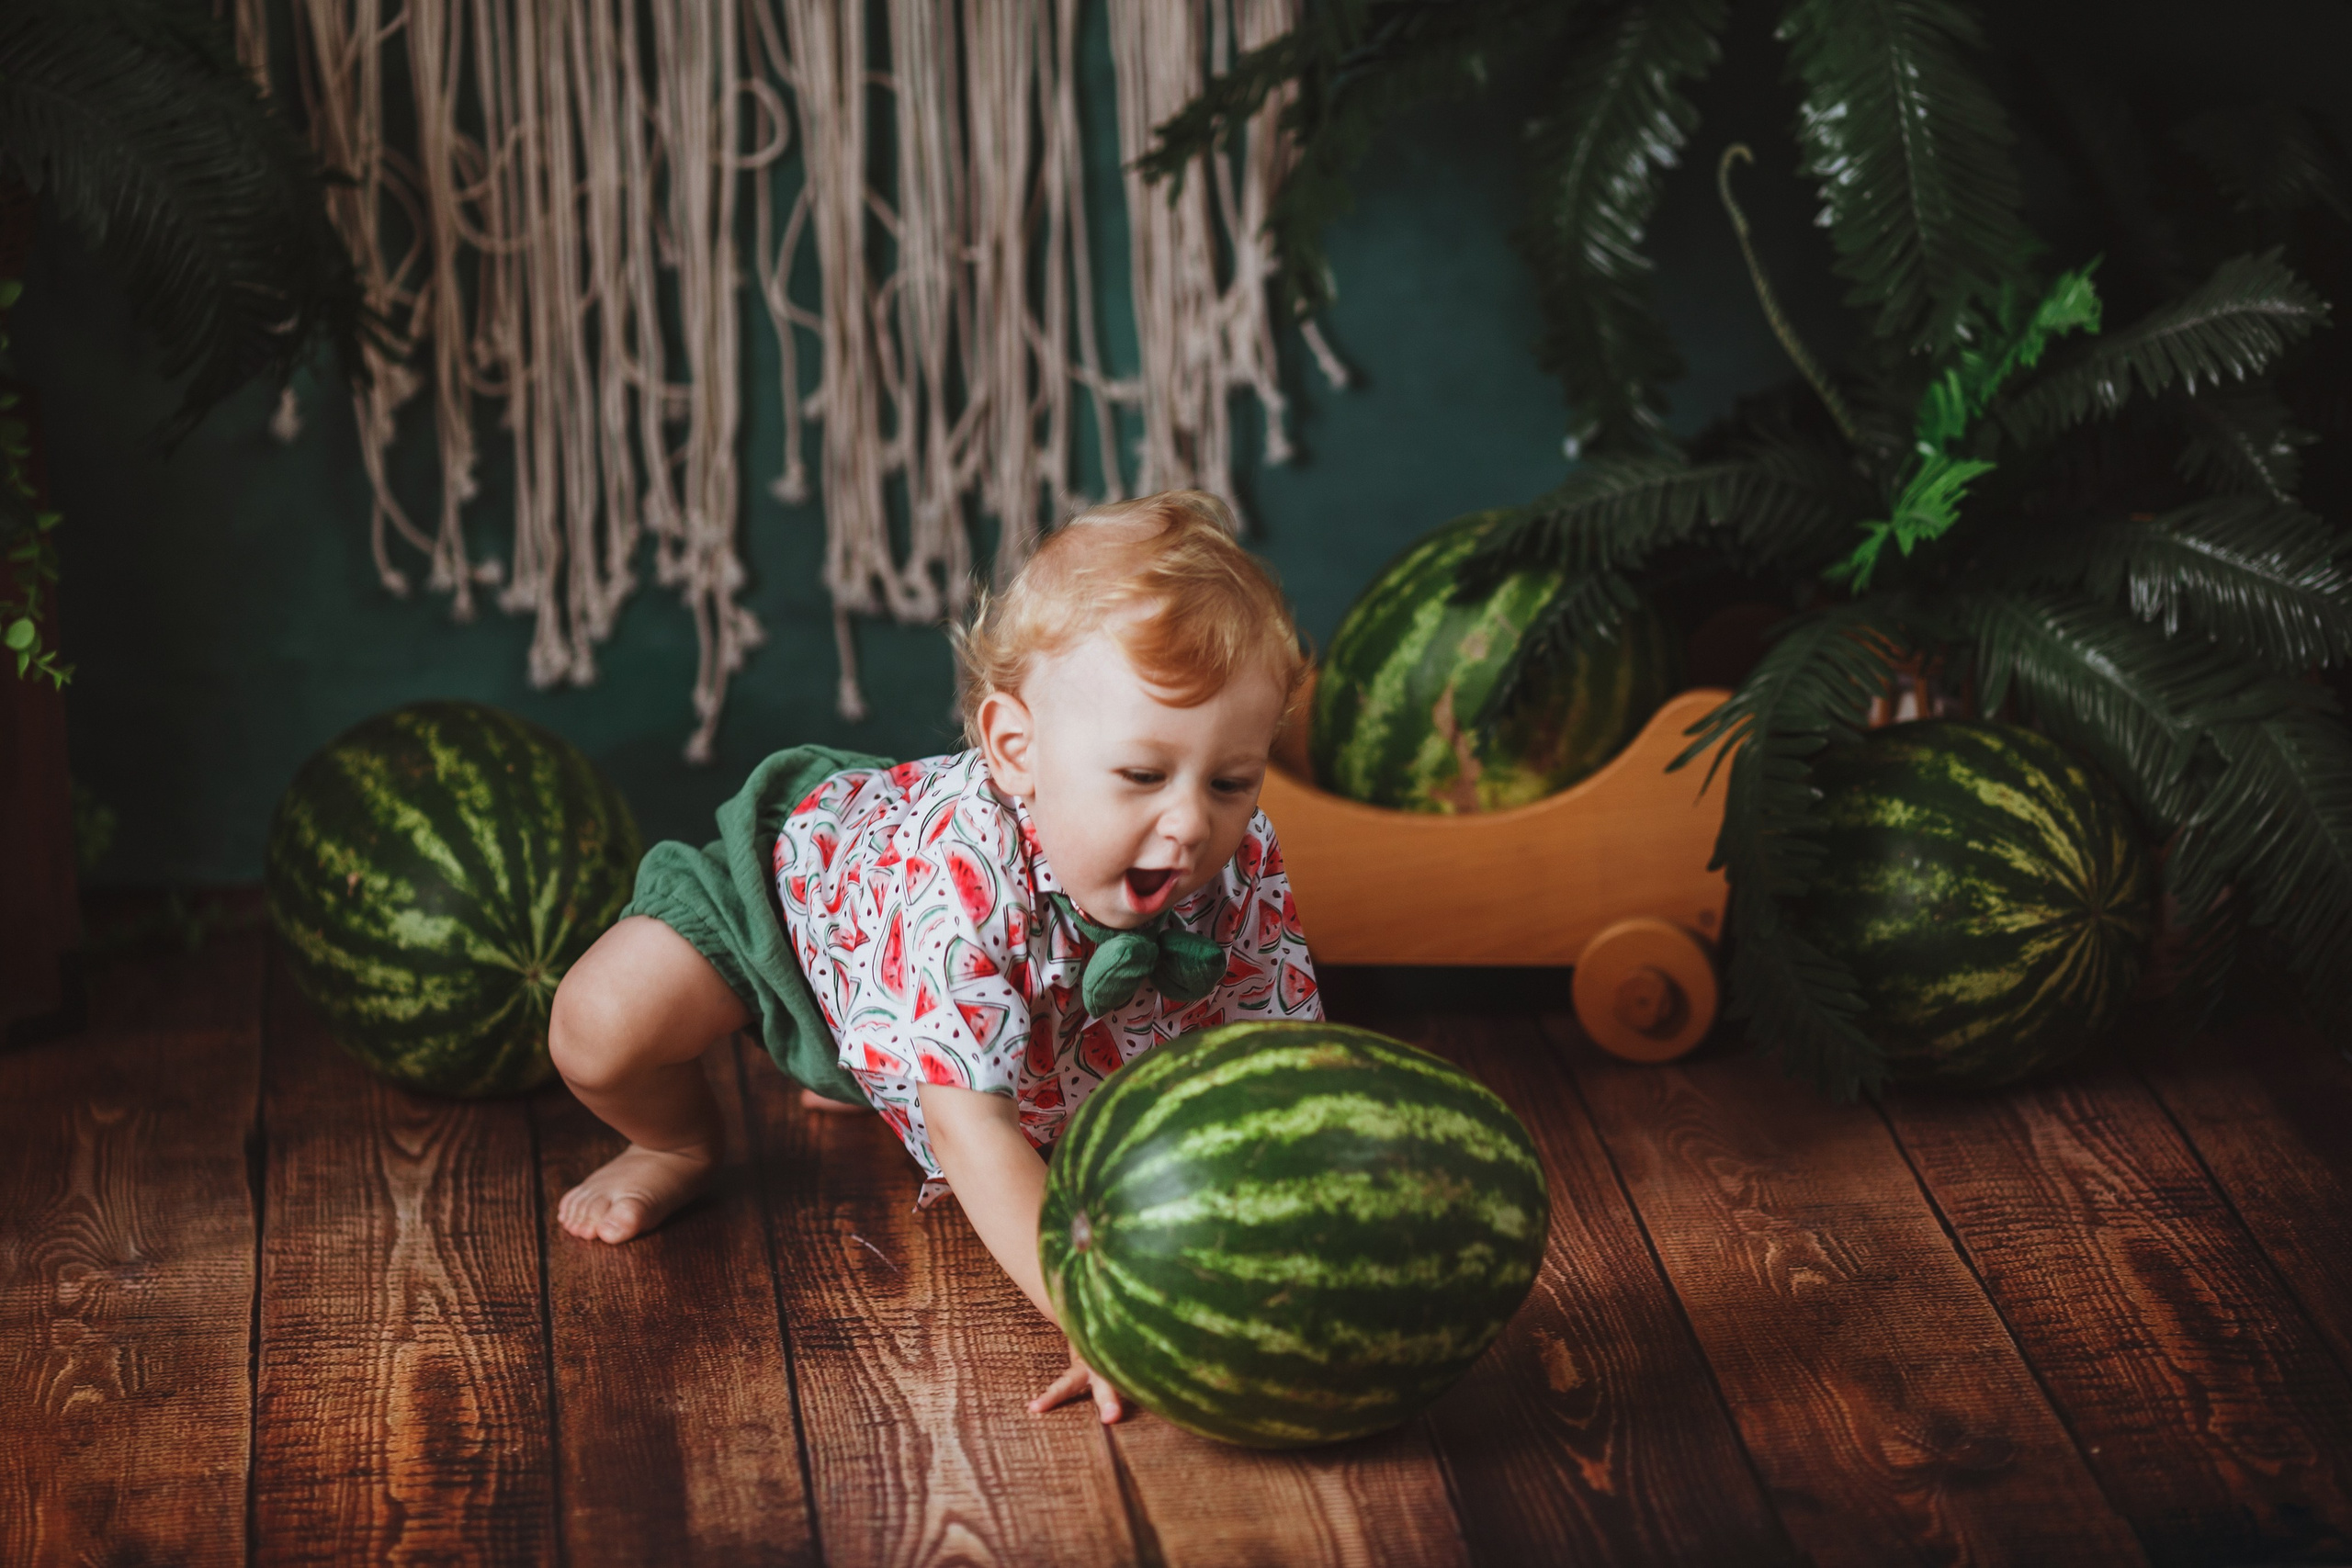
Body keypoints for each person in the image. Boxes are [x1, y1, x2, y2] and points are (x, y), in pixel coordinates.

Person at [546, 489, 1324, 1421]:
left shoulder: (1237, 857)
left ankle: (882, 1065)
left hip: (957, 1011)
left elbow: (1275, 1072)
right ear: (1013, 750)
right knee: (598, 1024)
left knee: (1018, 1088)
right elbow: (970, 1130)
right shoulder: (969, 871)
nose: (1192, 821)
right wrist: (1098, 1314)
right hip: (804, 915)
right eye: (1143, 775)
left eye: (1231, 779)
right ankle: (673, 1140)